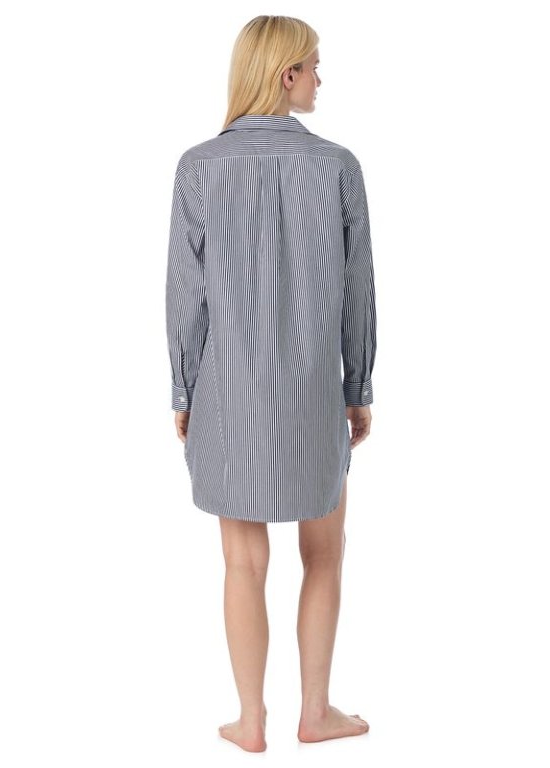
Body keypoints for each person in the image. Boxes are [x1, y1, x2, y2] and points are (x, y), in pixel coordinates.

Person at [165, 15, 376, 752]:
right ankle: (315, 712)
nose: (321, 78)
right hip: (315, 390)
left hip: (229, 391)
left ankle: (250, 720)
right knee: (325, 552)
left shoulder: (198, 168)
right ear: (286, 76)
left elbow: (185, 295)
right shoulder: (338, 167)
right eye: (313, 66)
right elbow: (357, 290)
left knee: (242, 561)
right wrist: (358, 386)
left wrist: (184, 390)